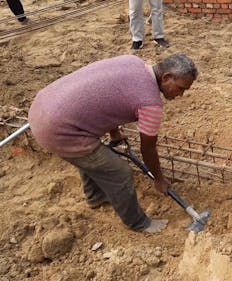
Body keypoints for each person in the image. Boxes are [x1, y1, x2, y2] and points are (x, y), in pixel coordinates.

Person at [28, 54, 198, 233]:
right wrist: (159, 179)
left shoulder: (132, 61)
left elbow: (107, 94)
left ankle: (96, 197)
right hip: (56, 130)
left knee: (92, 157)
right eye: (180, 88)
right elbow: (148, 149)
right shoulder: (150, 104)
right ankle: (138, 223)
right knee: (120, 172)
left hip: (42, 105)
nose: (180, 95)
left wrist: (114, 131)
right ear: (166, 78)